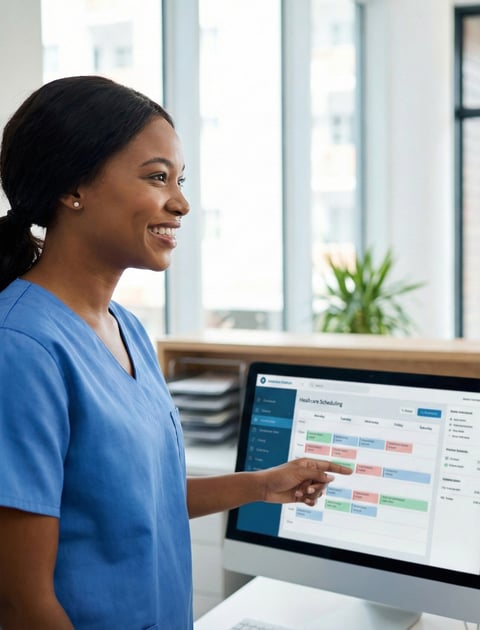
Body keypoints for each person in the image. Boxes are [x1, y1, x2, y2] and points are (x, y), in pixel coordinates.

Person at [0, 76, 352, 629]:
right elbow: (23, 603)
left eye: (180, 180)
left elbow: (138, 503)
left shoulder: (129, 330)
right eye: (157, 177)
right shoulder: (20, 347)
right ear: (73, 187)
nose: (181, 203)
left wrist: (263, 484)